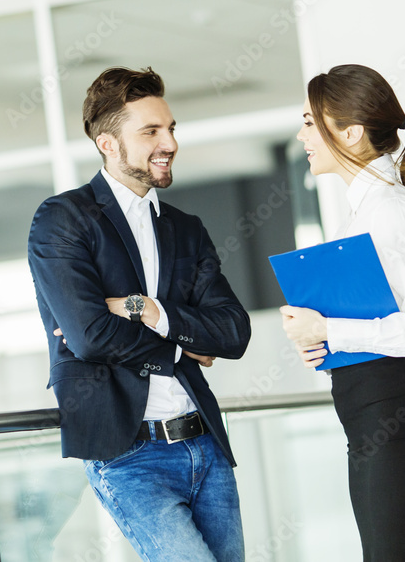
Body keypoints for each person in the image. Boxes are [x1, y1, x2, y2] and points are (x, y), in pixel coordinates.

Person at [27, 66, 251, 561]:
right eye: (151, 131)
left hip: (205, 444)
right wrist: (183, 345)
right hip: (129, 454)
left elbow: (233, 332)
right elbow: (89, 335)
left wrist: (147, 310)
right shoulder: (63, 219)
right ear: (108, 144)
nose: (169, 143)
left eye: (170, 128)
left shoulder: (185, 229)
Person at [281, 63, 405, 561]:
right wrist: (322, 340)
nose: (301, 136)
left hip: (401, 429)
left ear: (351, 133)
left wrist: (330, 328)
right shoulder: (364, 211)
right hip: (374, 426)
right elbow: (373, 323)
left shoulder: (391, 208)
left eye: (309, 122)